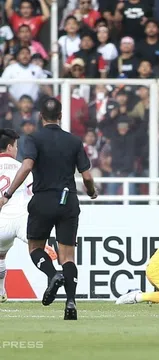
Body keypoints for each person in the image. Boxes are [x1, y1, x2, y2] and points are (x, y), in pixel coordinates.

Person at [0, 98, 98, 320]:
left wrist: (7, 194)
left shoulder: (34, 139)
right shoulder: (74, 141)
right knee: (68, 256)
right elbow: (87, 175)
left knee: (35, 248)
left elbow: (26, 167)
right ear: (61, 116)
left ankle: (53, 275)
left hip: (43, 200)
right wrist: (91, 192)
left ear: (41, 116)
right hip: (68, 200)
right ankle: (71, 303)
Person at [0, 129, 56, 302]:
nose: (17, 150)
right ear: (10, 147)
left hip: (2, 222)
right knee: (36, 249)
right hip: (23, 219)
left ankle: (1, 292)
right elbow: (34, 194)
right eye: (16, 146)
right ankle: (53, 271)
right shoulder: (23, 168)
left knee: (1, 254)